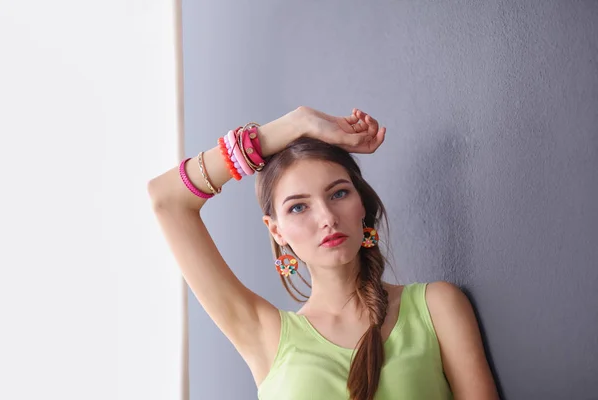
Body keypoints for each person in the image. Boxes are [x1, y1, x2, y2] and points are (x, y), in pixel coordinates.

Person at [148, 106, 499, 400]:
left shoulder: (437, 307)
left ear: (362, 203)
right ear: (276, 230)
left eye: (338, 194)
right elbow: (167, 199)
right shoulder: (264, 334)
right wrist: (293, 124)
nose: (327, 218)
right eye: (299, 208)